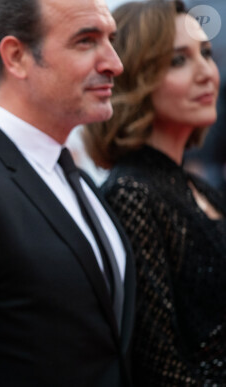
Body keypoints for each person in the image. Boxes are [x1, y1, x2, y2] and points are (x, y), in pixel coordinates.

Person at [0, 0, 136, 385]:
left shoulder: (71, 174)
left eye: (110, 40)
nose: (114, 63)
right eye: (86, 41)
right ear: (16, 57)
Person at [83, 1, 225, 384]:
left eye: (206, 55)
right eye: (179, 60)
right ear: (136, 79)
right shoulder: (131, 195)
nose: (207, 73)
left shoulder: (205, 191)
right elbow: (159, 367)